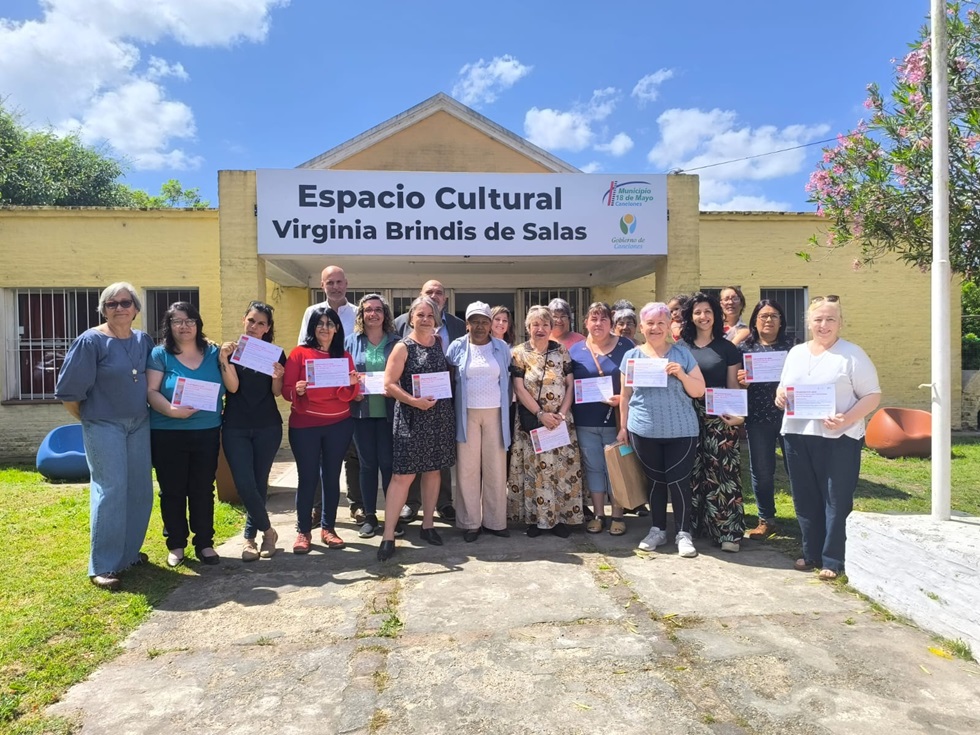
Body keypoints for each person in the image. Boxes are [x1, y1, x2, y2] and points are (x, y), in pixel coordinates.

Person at [55, 282, 154, 591]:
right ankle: (104, 565)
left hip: (139, 423)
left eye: (126, 302)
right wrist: (91, 420)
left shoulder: (143, 340)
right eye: (112, 304)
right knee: (111, 491)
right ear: (103, 309)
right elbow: (69, 394)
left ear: (136, 309)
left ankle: (128, 555)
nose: (120, 308)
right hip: (103, 425)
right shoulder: (90, 341)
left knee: (140, 489)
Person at [776, 296, 880, 580]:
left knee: (836, 497)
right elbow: (783, 389)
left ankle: (833, 559)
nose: (824, 325)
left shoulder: (852, 354)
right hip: (797, 434)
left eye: (830, 319)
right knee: (805, 497)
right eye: (818, 319)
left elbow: (873, 395)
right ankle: (811, 553)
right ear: (809, 322)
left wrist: (847, 418)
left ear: (841, 323)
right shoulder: (796, 353)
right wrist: (780, 395)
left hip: (840, 437)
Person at [618, 302, 705, 557]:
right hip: (644, 430)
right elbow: (625, 396)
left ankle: (683, 533)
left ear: (669, 326)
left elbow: (699, 391)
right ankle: (657, 529)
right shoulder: (631, 356)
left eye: (660, 323)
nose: (655, 328)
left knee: (679, 482)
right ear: (641, 327)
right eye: (650, 323)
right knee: (655, 482)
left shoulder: (682, 355)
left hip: (681, 431)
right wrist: (622, 428)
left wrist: (682, 375)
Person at [146, 302, 225, 568]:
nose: (184, 326)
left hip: (206, 430)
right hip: (167, 431)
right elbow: (151, 391)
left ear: (198, 323)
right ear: (169, 326)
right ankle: (176, 544)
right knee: (172, 490)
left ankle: (204, 543)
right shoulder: (160, 354)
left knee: (202, 489)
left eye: (190, 320)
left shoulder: (213, 352)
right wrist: (171, 411)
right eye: (177, 321)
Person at [378, 296, 457, 560]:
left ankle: (428, 526)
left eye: (430, 315)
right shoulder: (403, 347)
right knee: (402, 476)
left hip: (438, 419)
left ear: (436, 319)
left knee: (433, 471)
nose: (425, 319)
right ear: (411, 317)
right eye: (420, 315)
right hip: (412, 418)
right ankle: (388, 535)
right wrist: (414, 402)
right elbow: (389, 384)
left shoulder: (439, 343)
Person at [283, 307, 360, 554]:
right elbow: (286, 391)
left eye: (329, 323)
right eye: (319, 323)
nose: (324, 328)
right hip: (305, 426)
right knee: (307, 478)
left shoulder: (344, 356)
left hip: (339, 424)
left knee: (331, 476)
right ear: (312, 328)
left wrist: (350, 384)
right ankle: (303, 531)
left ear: (337, 328)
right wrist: (299, 390)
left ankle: (328, 528)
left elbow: (350, 394)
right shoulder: (299, 354)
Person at [508, 305, 584, 537]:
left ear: (551, 327)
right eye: (535, 325)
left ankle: (560, 519)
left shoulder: (561, 351)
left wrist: (561, 414)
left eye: (545, 324)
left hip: (560, 423)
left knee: (560, 470)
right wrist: (541, 414)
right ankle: (535, 519)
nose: (540, 329)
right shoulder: (519, 353)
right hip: (532, 422)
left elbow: (570, 385)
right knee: (534, 471)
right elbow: (519, 388)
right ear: (527, 327)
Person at [394, 279, 465, 522]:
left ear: (444, 299)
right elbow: (392, 374)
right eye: (429, 292)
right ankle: (411, 504)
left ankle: (443, 503)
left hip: (442, 404)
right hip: (412, 408)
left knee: (438, 462)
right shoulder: (400, 325)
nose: (434, 295)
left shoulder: (455, 326)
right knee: (411, 463)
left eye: (439, 293)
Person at [218, 301, 284, 562]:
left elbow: (276, 392)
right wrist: (224, 359)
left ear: (267, 328)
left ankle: (249, 539)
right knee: (244, 484)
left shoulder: (275, 354)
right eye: (251, 321)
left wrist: (278, 375)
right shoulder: (229, 351)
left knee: (258, 483)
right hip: (236, 426)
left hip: (268, 426)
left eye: (261, 323)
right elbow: (232, 388)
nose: (255, 327)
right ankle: (269, 532)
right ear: (244, 320)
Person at [297, 265, 362, 524]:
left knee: (352, 453)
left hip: (349, 391)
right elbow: (304, 346)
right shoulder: (312, 312)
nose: (335, 287)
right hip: (318, 395)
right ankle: (317, 507)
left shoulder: (358, 313)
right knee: (320, 458)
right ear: (322, 286)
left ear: (346, 284)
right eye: (329, 283)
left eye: (338, 282)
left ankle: (356, 504)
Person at [682, 292, 746, 552]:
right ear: (690, 316)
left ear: (715, 315)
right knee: (693, 472)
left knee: (723, 472)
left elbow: (733, 386)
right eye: (697, 312)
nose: (703, 316)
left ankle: (728, 531)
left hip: (720, 415)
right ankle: (696, 526)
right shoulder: (681, 348)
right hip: (688, 413)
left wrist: (739, 417)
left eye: (708, 311)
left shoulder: (727, 348)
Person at [445, 302, 513, 542]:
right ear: (468, 324)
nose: (480, 326)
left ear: (490, 324)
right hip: (466, 415)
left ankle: (495, 522)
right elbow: (448, 380)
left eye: (484, 321)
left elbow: (508, 379)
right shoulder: (456, 347)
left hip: (495, 413)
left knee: (496, 468)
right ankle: (470, 522)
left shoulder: (501, 347)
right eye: (475, 321)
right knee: (467, 469)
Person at [569, 302, 633, 535]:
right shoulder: (575, 350)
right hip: (585, 420)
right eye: (593, 319)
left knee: (616, 467)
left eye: (603, 319)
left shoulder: (626, 346)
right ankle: (598, 514)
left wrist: (624, 397)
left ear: (611, 322)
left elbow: (637, 382)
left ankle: (618, 514)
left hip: (617, 421)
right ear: (586, 323)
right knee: (594, 467)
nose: (598, 324)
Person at [737, 300, 795, 540]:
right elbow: (734, 382)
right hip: (758, 418)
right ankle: (766, 519)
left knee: (797, 469)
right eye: (763, 316)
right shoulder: (744, 349)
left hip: (790, 417)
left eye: (774, 316)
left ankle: (806, 516)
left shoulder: (793, 347)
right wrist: (742, 381)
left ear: (781, 321)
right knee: (761, 470)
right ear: (754, 321)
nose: (768, 320)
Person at [345, 294, 398, 538]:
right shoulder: (350, 342)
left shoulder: (397, 343)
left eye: (378, 310)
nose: (373, 314)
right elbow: (341, 375)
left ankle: (392, 516)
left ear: (385, 314)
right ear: (361, 315)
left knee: (388, 465)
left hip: (390, 414)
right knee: (367, 465)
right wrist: (351, 390)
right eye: (368, 310)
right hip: (361, 413)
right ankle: (369, 516)